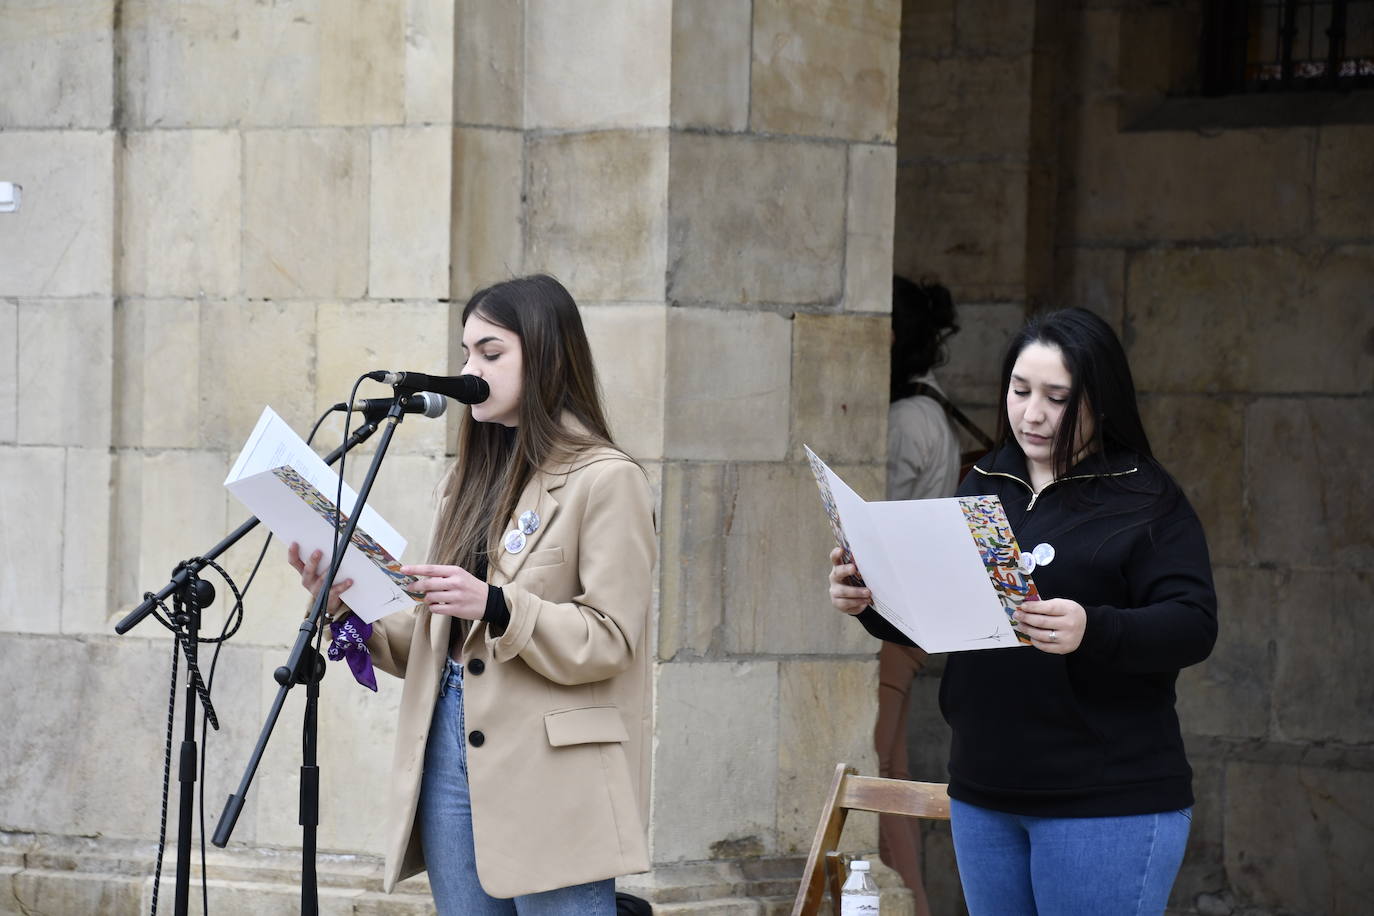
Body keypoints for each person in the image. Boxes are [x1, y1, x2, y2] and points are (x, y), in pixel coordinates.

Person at [828, 307, 1217, 915]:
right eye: (1020, 390)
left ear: (1101, 401)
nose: (1032, 413)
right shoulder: (984, 482)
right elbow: (943, 608)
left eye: (1057, 398)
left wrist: (1093, 627)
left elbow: (1193, 623)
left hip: (1105, 797)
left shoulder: (1143, 496)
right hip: (985, 790)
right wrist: (868, 601)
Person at [289, 274, 656, 915]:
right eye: (466, 353)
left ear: (546, 358)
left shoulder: (607, 479)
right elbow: (435, 637)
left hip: (552, 769)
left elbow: (611, 638)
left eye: (491, 353)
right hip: (447, 751)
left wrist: (496, 604)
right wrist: (347, 604)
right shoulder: (464, 481)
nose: (469, 370)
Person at [875, 276, 962, 915]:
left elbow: (881, 523)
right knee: (890, 775)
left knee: (881, 782)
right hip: (907, 626)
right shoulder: (927, 410)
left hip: (892, 624)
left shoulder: (909, 418)